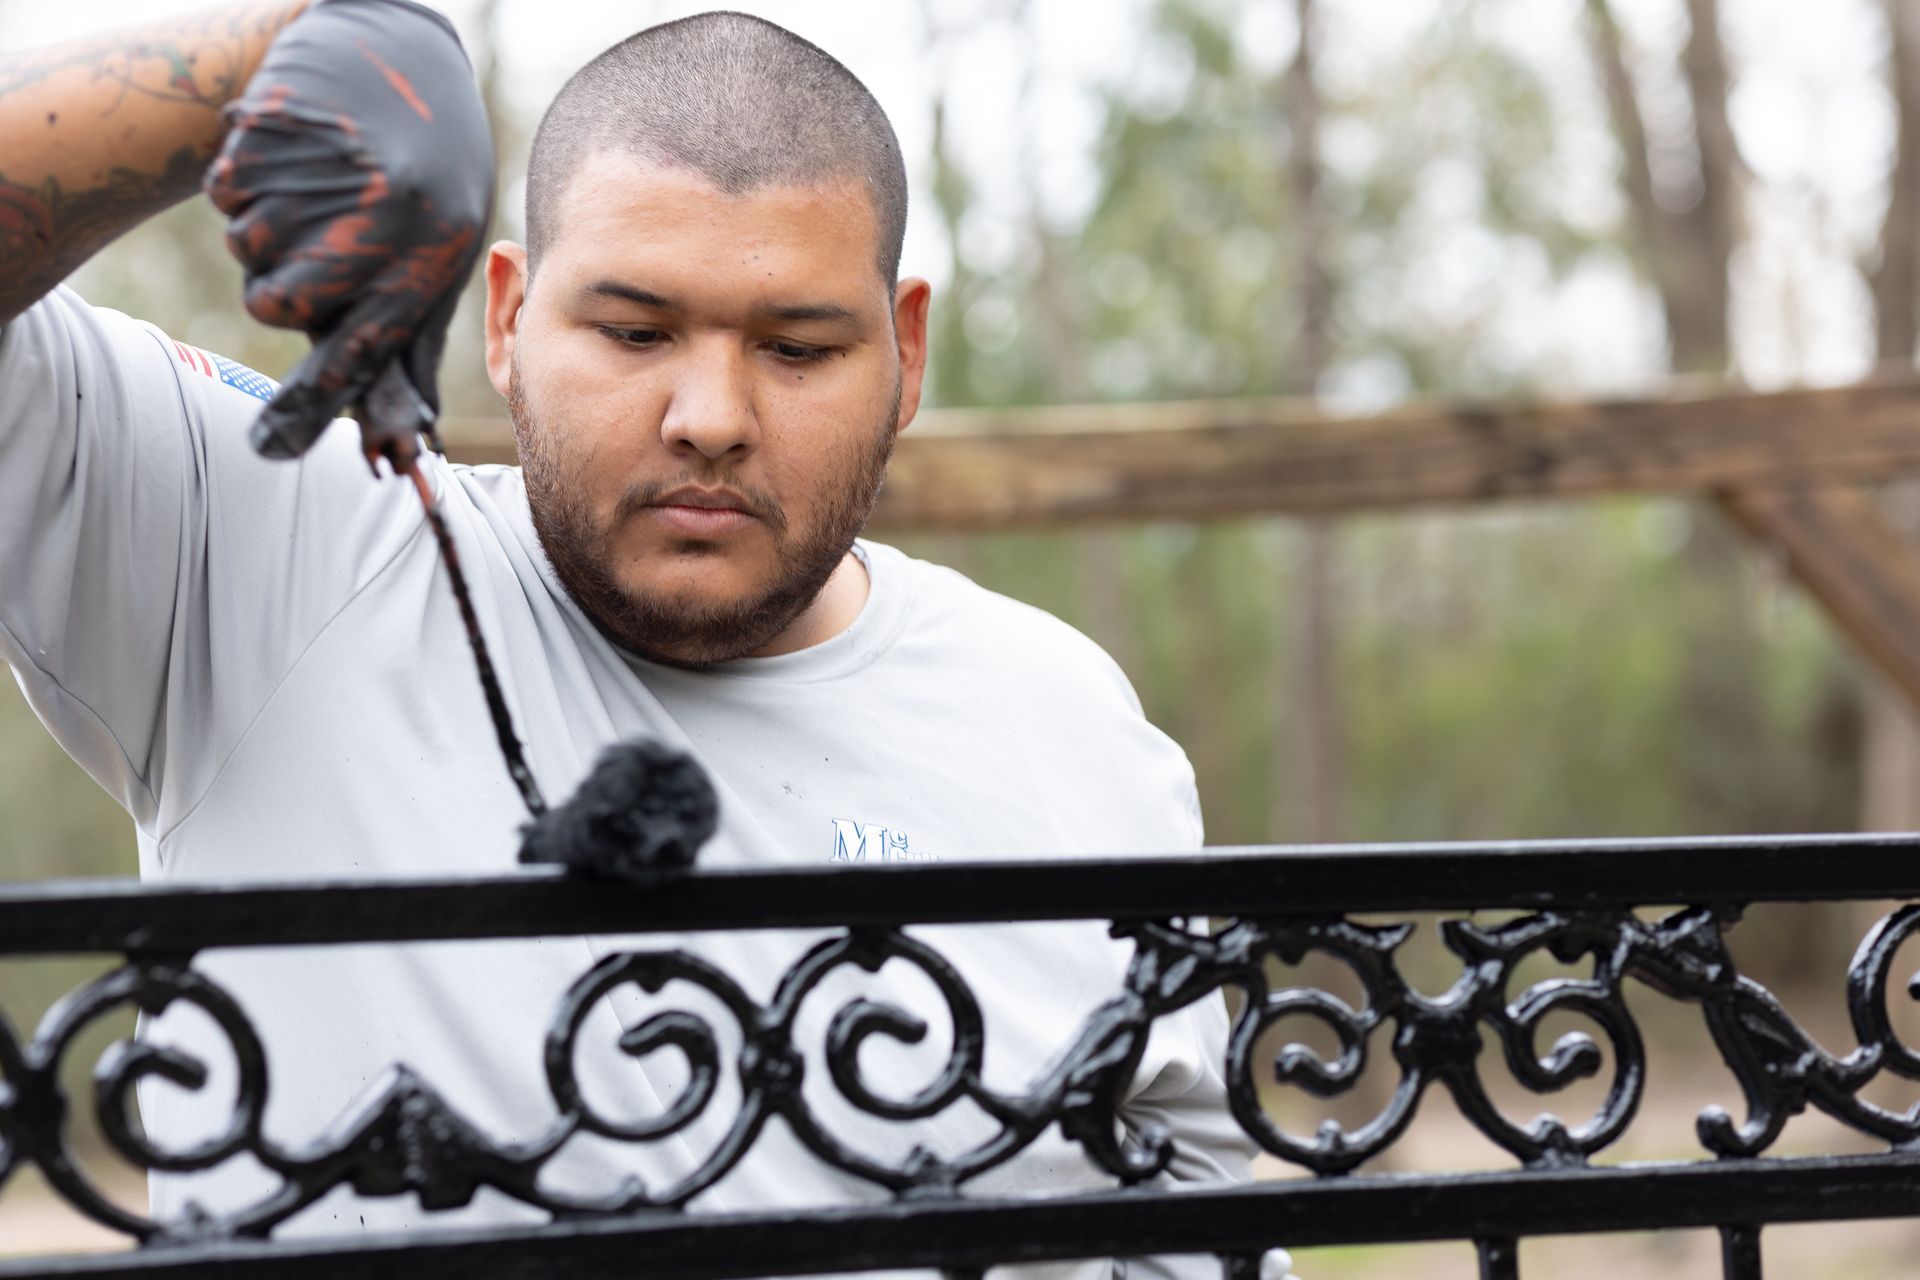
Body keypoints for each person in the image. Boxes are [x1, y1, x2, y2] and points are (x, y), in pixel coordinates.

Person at [0, 3, 1264, 1275]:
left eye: (797, 346)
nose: (710, 415)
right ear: (504, 318)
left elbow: (1196, 1217)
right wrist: (271, 51)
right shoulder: (265, 550)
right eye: (634, 331)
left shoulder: (1068, 726)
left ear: (907, 351)